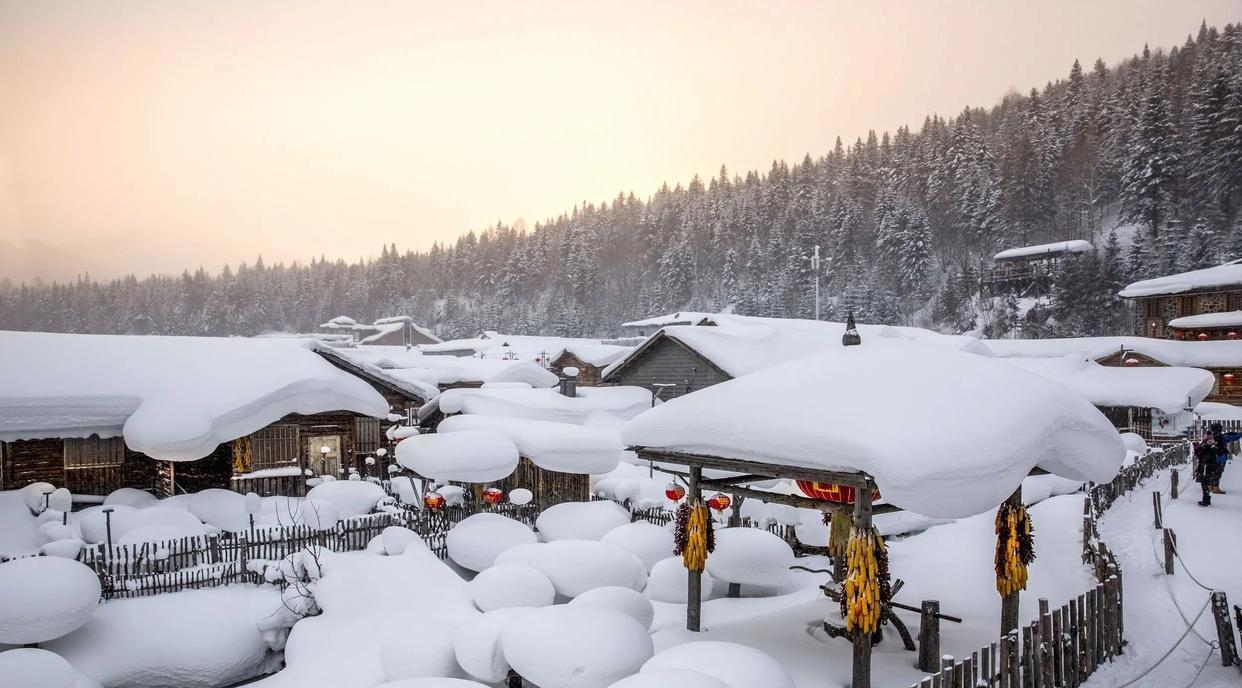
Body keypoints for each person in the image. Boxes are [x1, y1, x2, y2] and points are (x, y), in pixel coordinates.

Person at [1197, 422, 1242, 506]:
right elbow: (1234, 437)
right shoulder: (1223, 437)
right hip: (1221, 458)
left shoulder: (1210, 437)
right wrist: (1240, 434)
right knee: (1218, 472)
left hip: (1211, 459)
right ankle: (1215, 487)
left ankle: (1210, 486)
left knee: (1212, 472)